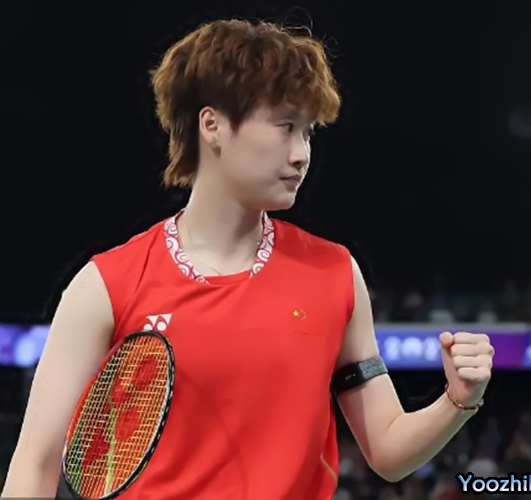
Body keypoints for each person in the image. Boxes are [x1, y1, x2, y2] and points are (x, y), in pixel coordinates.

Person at [1, 18, 495, 500]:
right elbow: (34, 468)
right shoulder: (105, 286)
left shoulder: (335, 274)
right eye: (285, 126)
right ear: (212, 125)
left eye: (308, 132)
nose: (301, 154)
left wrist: (458, 400)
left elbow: (387, 451)